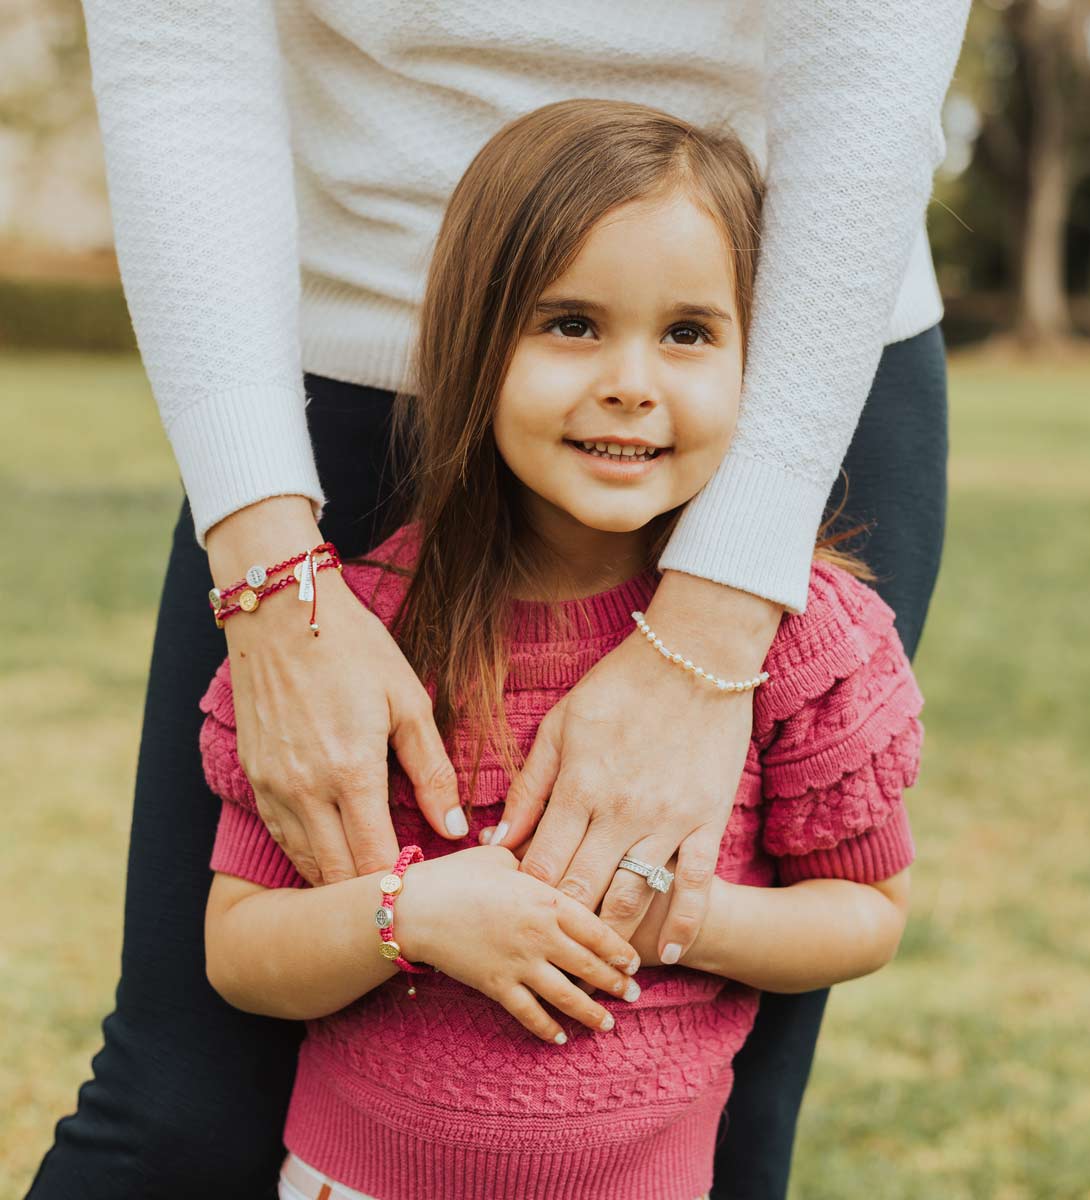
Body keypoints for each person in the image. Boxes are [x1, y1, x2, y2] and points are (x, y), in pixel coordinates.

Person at [29, 5, 967, 1199]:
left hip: (805, 379)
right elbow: (177, 66)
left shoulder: (817, 640)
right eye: (577, 327)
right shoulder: (394, 596)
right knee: (174, 1113)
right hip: (323, 377)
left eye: (679, 336)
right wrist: (274, 585)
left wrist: (720, 623)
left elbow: (856, 909)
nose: (629, 384)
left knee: (742, 1127)